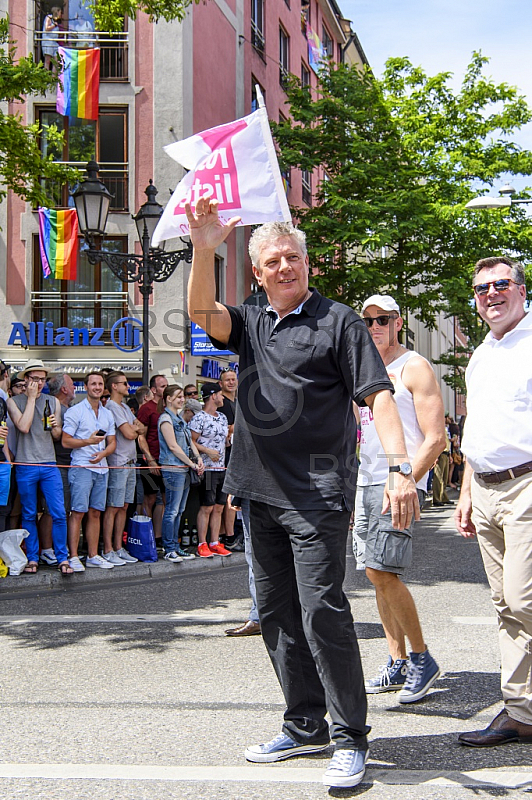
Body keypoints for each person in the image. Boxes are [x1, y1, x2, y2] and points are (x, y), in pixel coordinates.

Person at [186, 197, 419, 789]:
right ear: (257, 271)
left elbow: (379, 395)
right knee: (278, 615)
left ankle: (349, 737)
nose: (284, 266)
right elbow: (198, 312)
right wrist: (205, 246)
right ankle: (305, 724)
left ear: (307, 265)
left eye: (293, 257)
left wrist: (398, 467)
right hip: (257, 490)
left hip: (317, 492)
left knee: (323, 613)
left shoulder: (339, 321)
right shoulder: (252, 320)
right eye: (272, 260)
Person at [455, 256, 532, 747]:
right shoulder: (482, 352)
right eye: (482, 289)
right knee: (506, 604)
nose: (491, 295)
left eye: (501, 285)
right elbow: (476, 430)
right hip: (485, 488)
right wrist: (465, 492)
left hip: (527, 484)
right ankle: (520, 711)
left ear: (522, 290)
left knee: (526, 599)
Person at [354, 295, 446, 702]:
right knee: (375, 575)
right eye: (368, 320)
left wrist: (406, 479)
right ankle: (397, 661)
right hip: (363, 481)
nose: (374, 326)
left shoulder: (414, 366)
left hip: (396, 483)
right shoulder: (362, 368)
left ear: (398, 322)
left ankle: (422, 658)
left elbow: (436, 438)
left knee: (382, 571)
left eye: (382, 319)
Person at [7, 359, 71, 575]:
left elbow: (57, 436)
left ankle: (62, 558)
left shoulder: (53, 401)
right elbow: (23, 427)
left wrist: (55, 427)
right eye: (35, 379)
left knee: (59, 512)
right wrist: (32, 399)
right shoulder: (14, 401)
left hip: (49, 462)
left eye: (43, 379)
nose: (40, 383)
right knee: (29, 513)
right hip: (26, 463)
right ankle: (32, 558)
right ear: (26, 380)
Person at [62, 372, 116, 572]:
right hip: (82, 467)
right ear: (85, 387)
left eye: (100, 384)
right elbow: (66, 441)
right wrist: (88, 442)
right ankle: (74, 556)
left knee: (95, 513)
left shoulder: (107, 413)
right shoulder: (75, 411)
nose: (97, 387)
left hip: (102, 468)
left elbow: (113, 443)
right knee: (77, 512)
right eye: (93, 383)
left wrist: (103, 454)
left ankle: (93, 555)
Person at [101, 371, 145, 565]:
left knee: (125, 506)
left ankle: (119, 546)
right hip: (118, 462)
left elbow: (142, 428)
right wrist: (134, 428)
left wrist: (135, 428)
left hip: (130, 461)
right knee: (113, 506)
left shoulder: (125, 407)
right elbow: (129, 433)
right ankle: (108, 548)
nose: (128, 386)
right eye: (125, 383)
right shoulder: (112, 406)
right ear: (114, 386)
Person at [158, 384, 203, 562]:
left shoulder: (179, 419)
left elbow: (189, 441)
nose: (182, 399)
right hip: (172, 468)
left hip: (182, 468)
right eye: (178, 397)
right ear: (168, 399)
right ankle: (169, 547)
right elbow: (172, 446)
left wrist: (198, 458)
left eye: (182, 396)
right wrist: (191, 463)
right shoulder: (165, 419)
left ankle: (175, 546)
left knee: (179, 510)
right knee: (172, 510)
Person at [189, 383, 231, 558]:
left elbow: (225, 439)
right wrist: (207, 451)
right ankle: (202, 542)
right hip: (207, 468)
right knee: (207, 506)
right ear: (213, 395)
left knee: (219, 506)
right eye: (221, 394)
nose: (222, 398)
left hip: (222, 466)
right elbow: (190, 441)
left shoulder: (222, 417)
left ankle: (215, 541)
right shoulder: (199, 418)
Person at [38, 372, 76, 565]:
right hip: (55, 463)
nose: (75, 388)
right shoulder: (53, 406)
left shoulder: (67, 407)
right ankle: (46, 549)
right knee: (51, 510)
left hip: (69, 464)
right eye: (72, 384)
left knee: (65, 511)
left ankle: (62, 548)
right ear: (64, 389)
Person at [137, 374, 169, 538]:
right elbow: (140, 436)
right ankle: (146, 536)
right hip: (152, 459)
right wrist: (150, 459)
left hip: (168, 460)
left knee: (166, 500)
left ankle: (160, 536)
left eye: (166, 385)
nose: (165, 388)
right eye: (162, 386)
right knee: (149, 499)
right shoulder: (146, 408)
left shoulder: (169, 407)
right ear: (154, 390)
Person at [224, 495, 261, 636]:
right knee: (255, 556)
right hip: (252, 491)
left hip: (290, 491)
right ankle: (258, 618)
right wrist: (234, 490)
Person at [41, 6, 62, 70]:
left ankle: (54, 77)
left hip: (54, 43)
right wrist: (54, 25)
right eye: (60, 12)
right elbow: (47, 28)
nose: (61, 14)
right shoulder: (49, 17)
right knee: (47, 61)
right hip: (48, 41)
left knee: (56, 61)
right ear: (57, 12)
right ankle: (46, 76)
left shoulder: (57, 21)